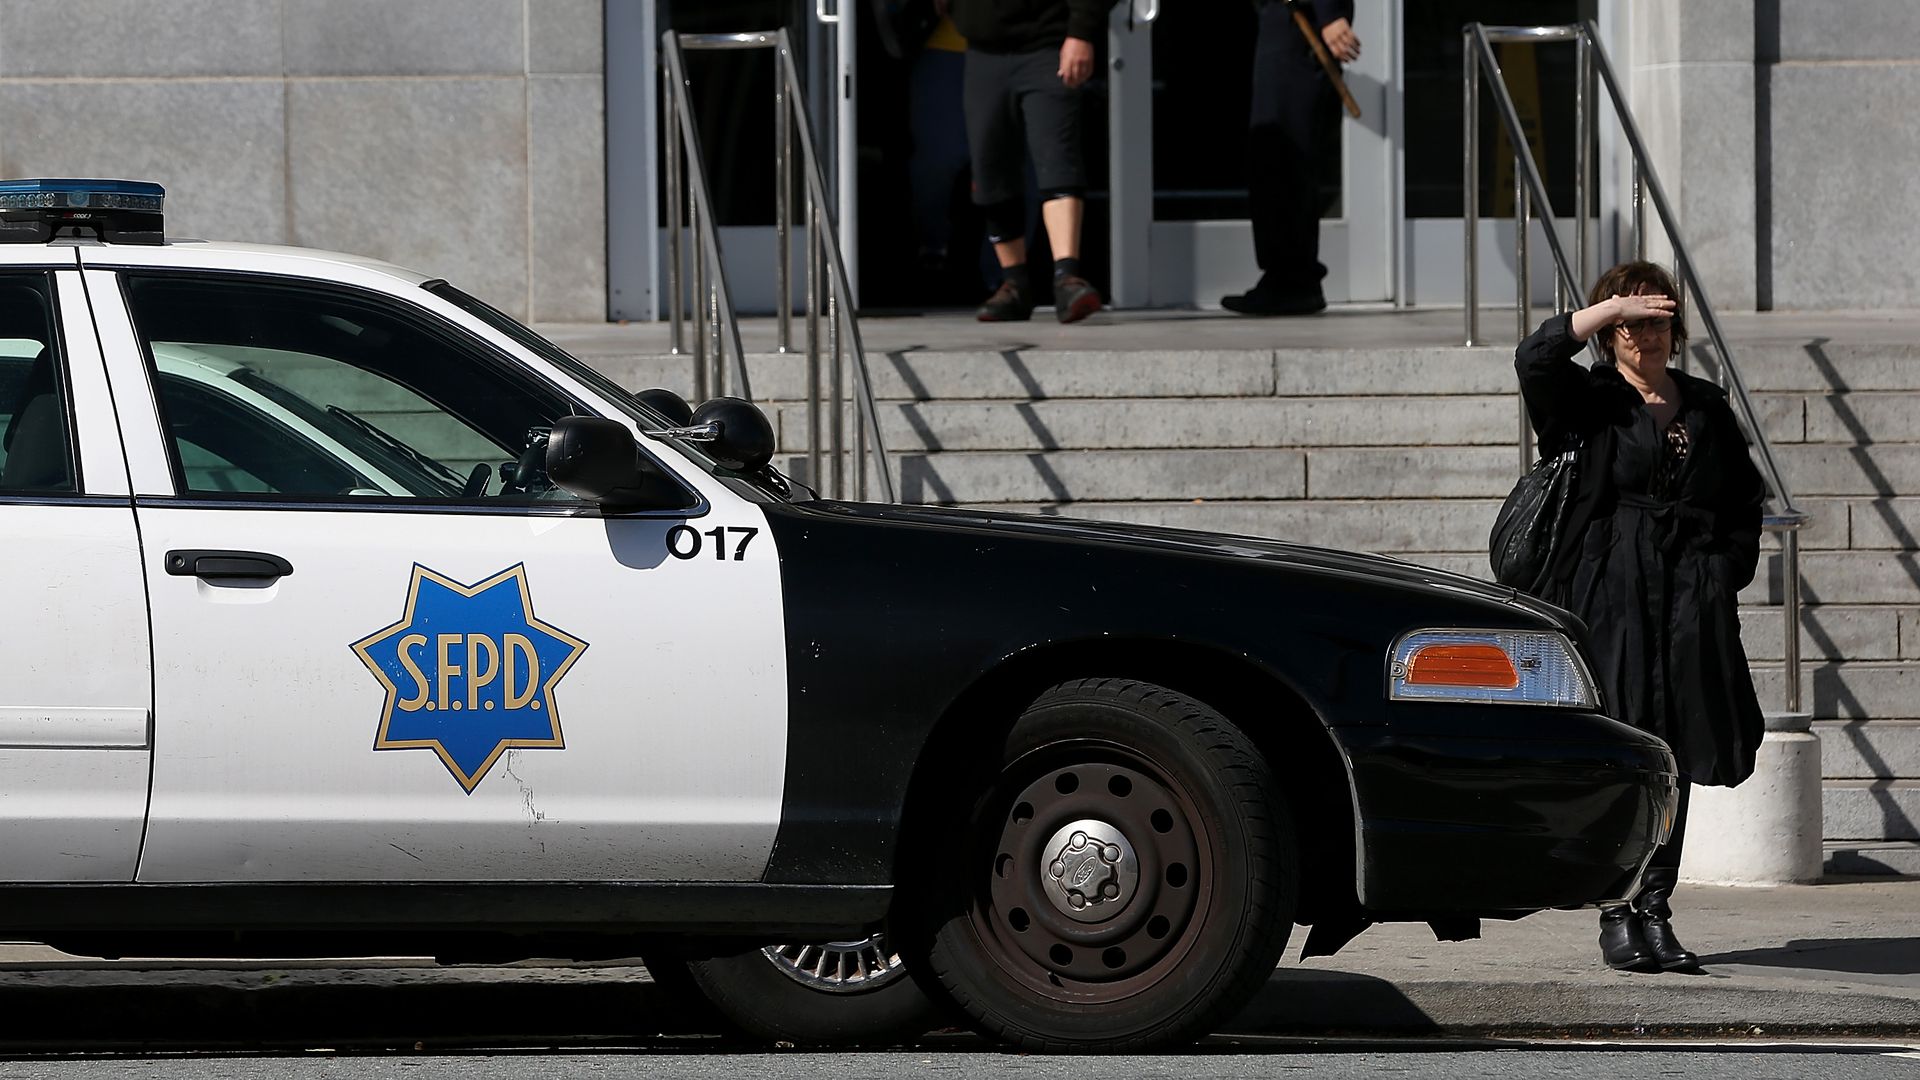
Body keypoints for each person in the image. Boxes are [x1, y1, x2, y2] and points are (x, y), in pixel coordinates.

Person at [1515, 260, 1767, 974]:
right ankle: (1615, 910)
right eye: (1629, 324)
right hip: (1612, 595)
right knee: (1623, 752)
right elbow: (1534, 356)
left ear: (1675, 330)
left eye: (1656, 322)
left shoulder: (1705, 406)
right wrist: (1602, 309)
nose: (1645, 337)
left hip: (1690, 601)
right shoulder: (1586, 402)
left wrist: (1725, 572)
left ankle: (1655, 908)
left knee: (1675, 756)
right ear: (1609, 333)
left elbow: (1742, 503)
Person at [951, 0, 1113, 323]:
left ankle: (1067, 277)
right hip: (983, 50)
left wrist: (1080, 33)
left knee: (1057, 161)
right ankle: (1014, 283)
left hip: (1047, 47)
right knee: (990, 169)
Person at [1222, 0, 1359, 317]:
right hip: (1283, 19)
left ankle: (1293, 281)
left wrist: (1329, 12)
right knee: (1273, 154)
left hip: (1298, 22)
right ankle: (1286, 277)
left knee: (1284, 155)